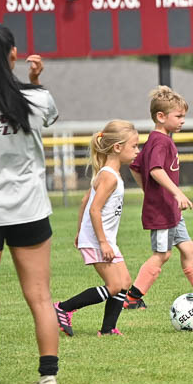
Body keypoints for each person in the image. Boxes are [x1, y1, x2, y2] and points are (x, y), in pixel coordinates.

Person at [0, 24, 61, 384]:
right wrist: (35, 81)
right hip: (31, 210)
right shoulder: (38, 98)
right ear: (14, 55)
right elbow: (45, 113)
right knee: (40, 296)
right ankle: (48, 379)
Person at [122, 87, 193, 310]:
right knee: (162, 254)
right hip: (163, 210)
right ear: (161, 117)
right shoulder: (160, 141)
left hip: (170, 207)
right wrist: (175, 192)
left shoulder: (157, 140)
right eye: (179, 116)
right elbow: (154, 169)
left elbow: (136, 166)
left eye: (184, 116)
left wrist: (150, 190)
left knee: (188, 248)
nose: (183, 120)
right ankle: (132, 298)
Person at [54, 120, 139, 338]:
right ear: (117, 148)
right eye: (134, 146)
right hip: (98, 240)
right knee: (113, 285)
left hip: (103, 239)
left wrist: (78, 231)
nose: (137, 151)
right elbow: (94, 209)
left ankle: (108, 329)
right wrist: (100, 241)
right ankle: (63, 308)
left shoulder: (110, 173)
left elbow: (85, 200)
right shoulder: (109, 176)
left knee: (125, 282)